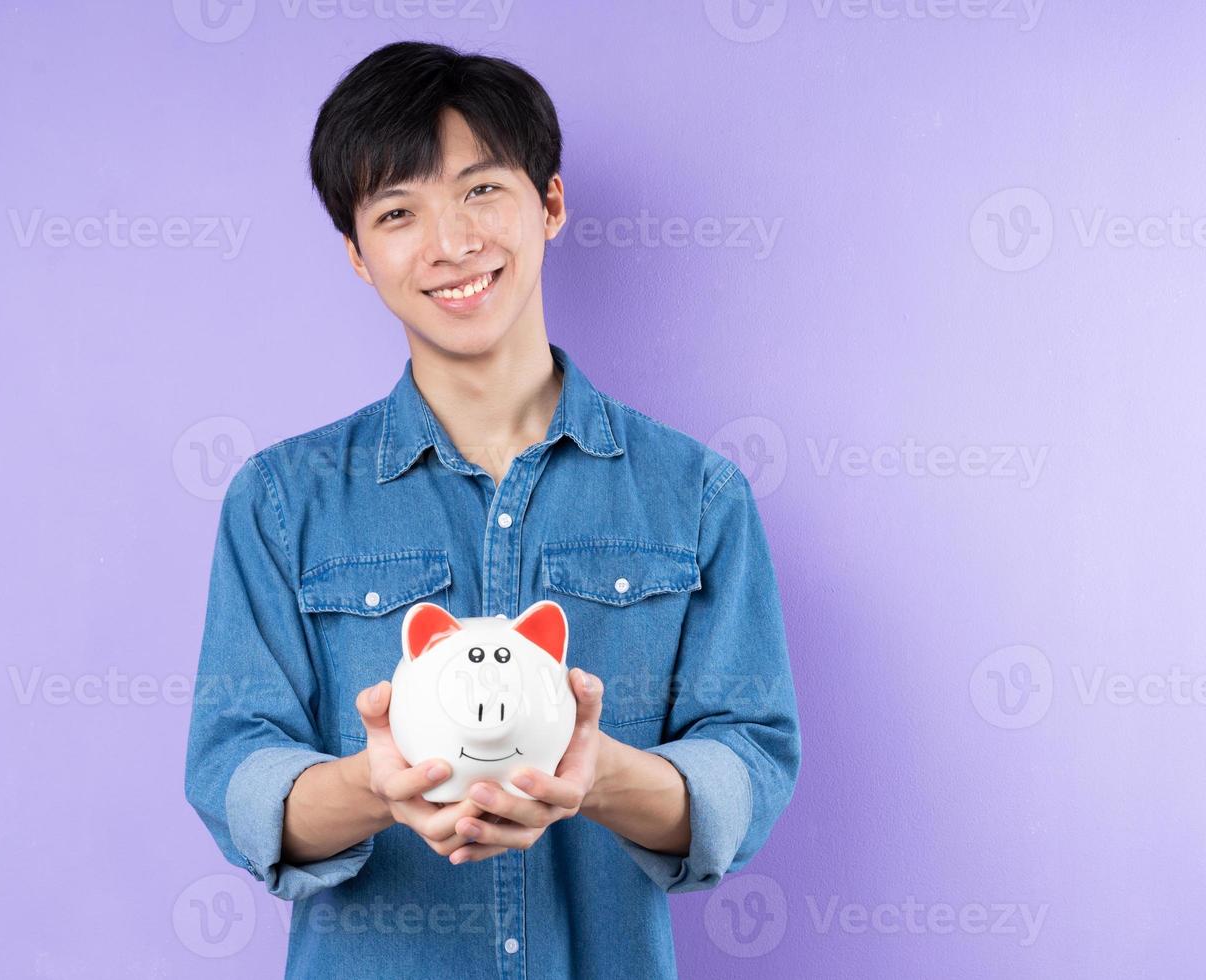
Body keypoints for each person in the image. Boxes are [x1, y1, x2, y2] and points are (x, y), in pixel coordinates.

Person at [183, 40, 801, 979]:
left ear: (549, 204)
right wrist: (373, 787)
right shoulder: (280, 501)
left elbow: (747, 766)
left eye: (480, 191)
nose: (451, 244)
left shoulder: (697, 495)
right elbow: (236, 773)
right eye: (399, 212)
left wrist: (599, 777)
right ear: (357, 255)